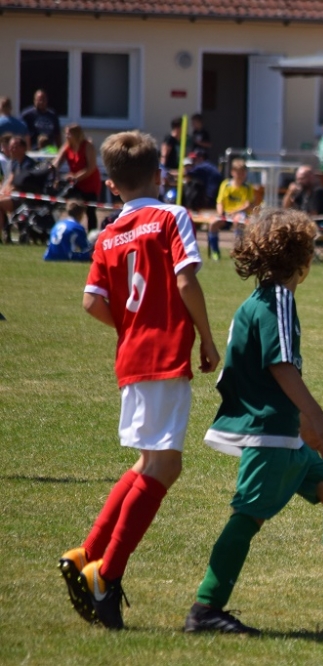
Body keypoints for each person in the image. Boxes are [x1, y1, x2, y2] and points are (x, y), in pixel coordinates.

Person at [184, 208, 323, 634]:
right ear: (303, 260)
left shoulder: (259, 300)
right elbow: (281, 366)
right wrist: (318, 417)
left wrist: (303, 424)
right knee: (248, 514)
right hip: (270, 429)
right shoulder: (278, 300)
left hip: (285, 429)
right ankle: (206, 608)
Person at [58, 130, 219, 630]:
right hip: (164, 354)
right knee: (165, 465)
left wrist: (130, 327)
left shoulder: (108, 234)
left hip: (131, 357)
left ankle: (86, 553)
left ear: (110, 184)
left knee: (149, 461)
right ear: (158, 174)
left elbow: (91, 302)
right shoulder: (171, 216)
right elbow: (186, 279)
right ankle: (106, 575)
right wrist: (206, 337)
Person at [51, 124, 103, 232]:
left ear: (76, 134)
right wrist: (54, 175)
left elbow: (91, 167)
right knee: (73, 208)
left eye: (69, 134)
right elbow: (56, 163)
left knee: (90, 211)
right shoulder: (67, 146)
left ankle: (92, 235)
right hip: (75, 184)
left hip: (90, 182)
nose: (66, 136)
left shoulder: (87, 146)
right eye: (66, 133)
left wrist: (75, 177)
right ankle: (73, 230)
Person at [209, 158, 256, 260]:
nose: (241, 175)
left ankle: (238, 250)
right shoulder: (226, 184)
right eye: (238, 173)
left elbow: (247, 205)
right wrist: (220, 213)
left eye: (243, 173)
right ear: (232, 172)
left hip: (240, 214)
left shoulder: (247, 187)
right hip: (226, 214)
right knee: (213, 224)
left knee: (238, 221)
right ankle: (215, 252)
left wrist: (234, 212)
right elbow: (220, 202)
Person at [0, 136, 37, 243]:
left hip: (24, 199)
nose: (11, 149)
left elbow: (19, 184)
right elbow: (10, 181)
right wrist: (2, 192)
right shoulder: (15, 163)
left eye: (15, 147)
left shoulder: (28, 164)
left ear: (23, 148)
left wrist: (6, 192)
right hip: (13, 196)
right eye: (11, 147)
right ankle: (5, 232)